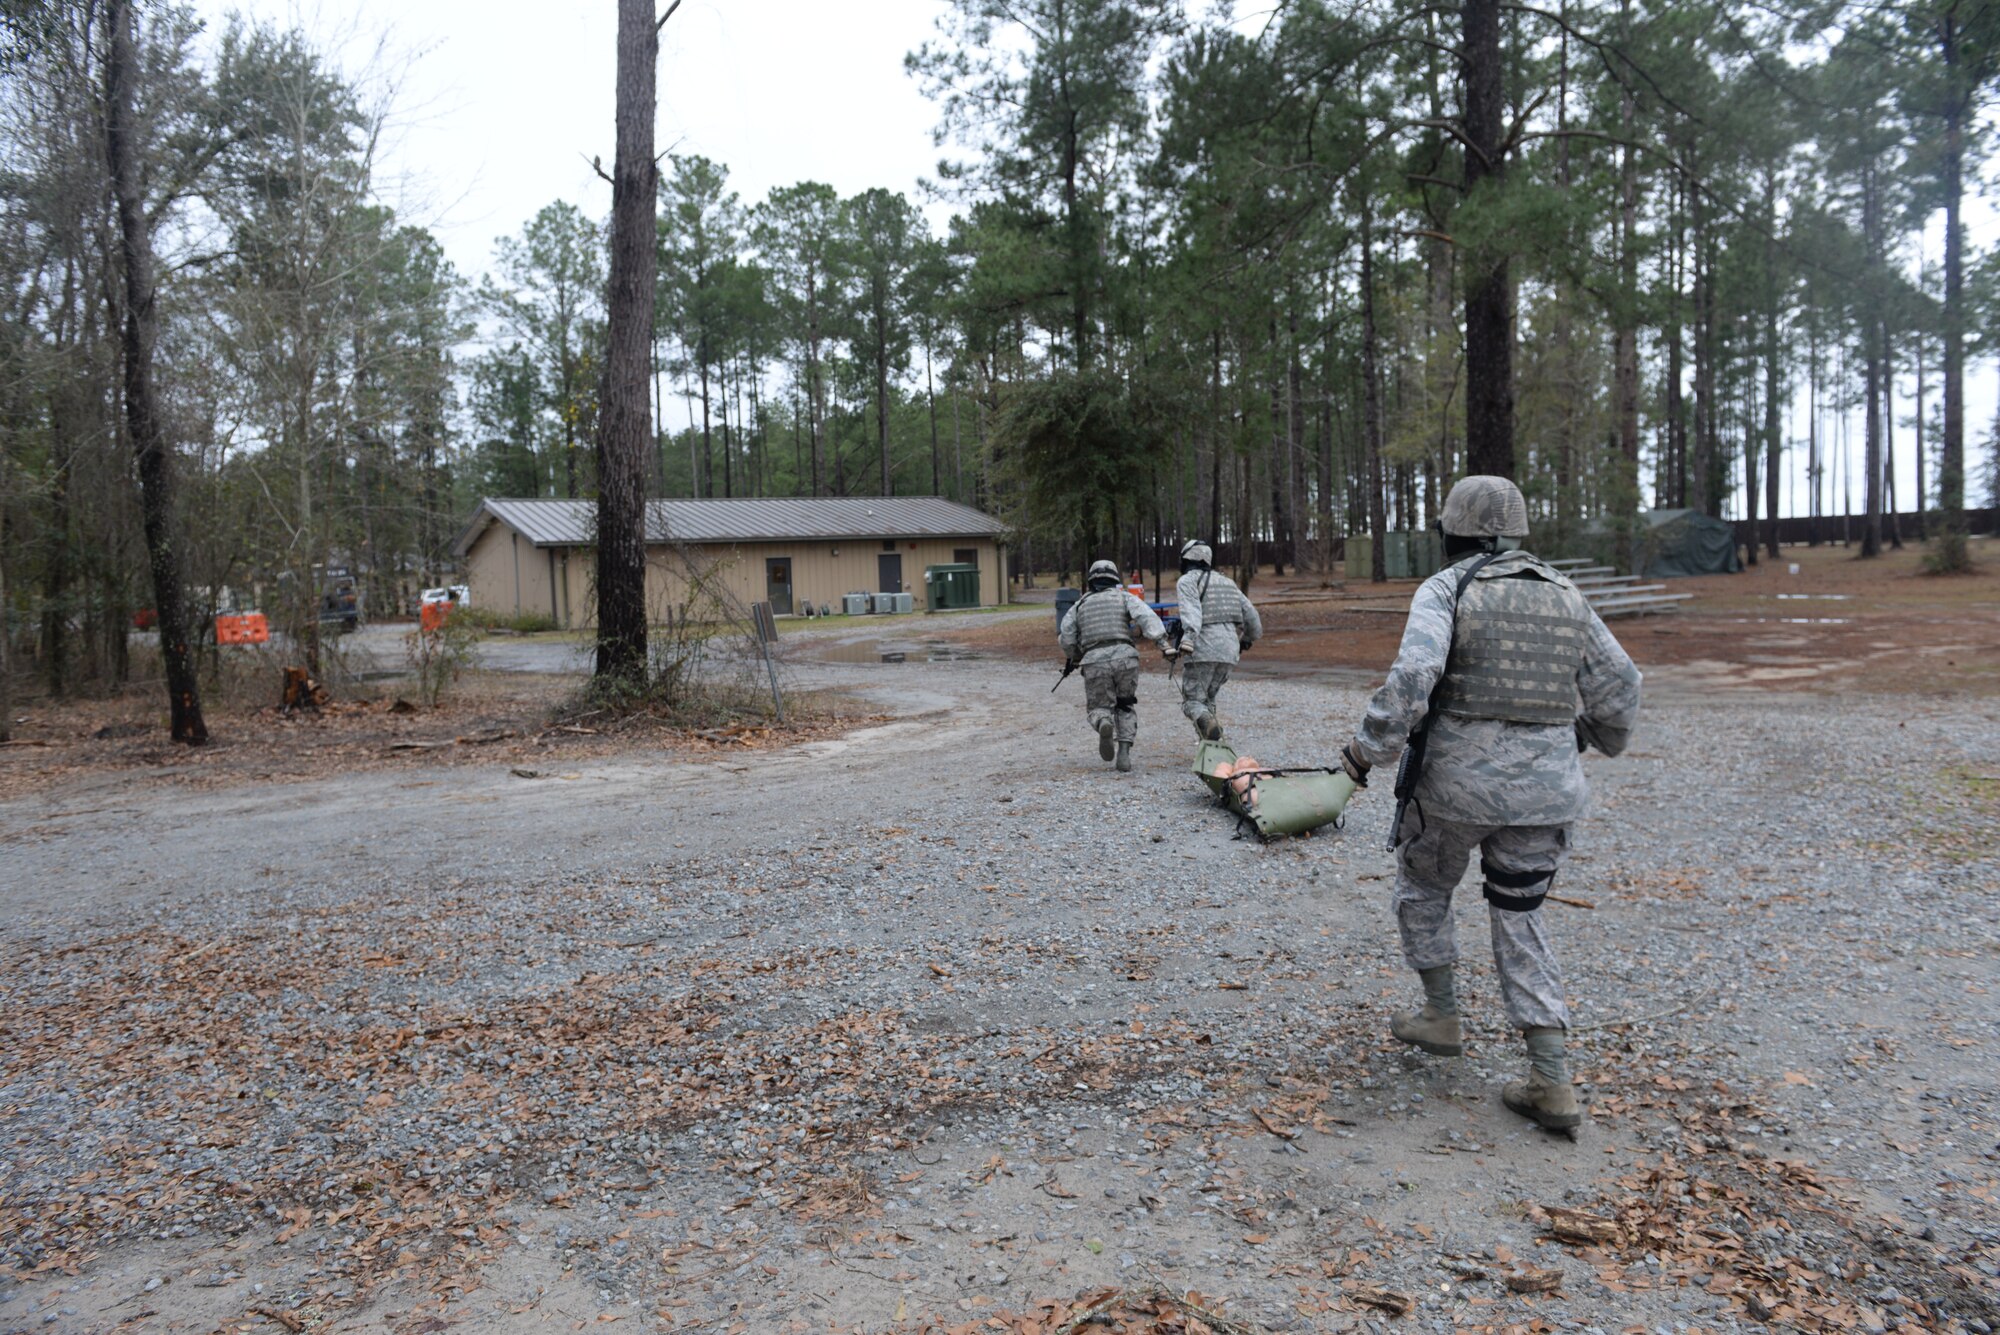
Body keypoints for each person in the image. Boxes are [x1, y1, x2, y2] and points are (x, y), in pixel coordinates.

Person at [1336, 476, 1642, 1134]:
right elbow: (1621, 685)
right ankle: (1552, 1078)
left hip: (1453, 790)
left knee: (1423, 885)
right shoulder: (1566, 593)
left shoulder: (1448, 588)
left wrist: (1365, 753)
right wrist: (1588, 739)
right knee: (1521, 913)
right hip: (1547, 796)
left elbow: (1415, 677)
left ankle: (1441, 1014)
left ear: (1452, 531)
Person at [1058, 559, 1172, 773]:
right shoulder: (1124, 597)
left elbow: (1066, 637)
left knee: (1099, 707)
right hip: (1126, 658)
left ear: (1091, 580)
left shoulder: (1079, 605)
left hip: (1094, 660)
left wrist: (1075, 657)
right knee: (1125, 705)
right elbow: (1147, 617)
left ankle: (1103, 723)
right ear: (1114, 579)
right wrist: (1162, 643)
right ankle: (1124, 753)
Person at [1172, 540, 1262, 741]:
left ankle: (1208, 728)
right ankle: (1210, 746)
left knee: (1193, 701)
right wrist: (1247, 639)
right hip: (1230, 650)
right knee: (1208, 698)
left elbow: (1192, 614)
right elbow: (1252, 616)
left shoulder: (1187, 581)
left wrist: (1188, 639)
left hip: (1203, 647)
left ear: (1186, 558)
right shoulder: (1227, 582)